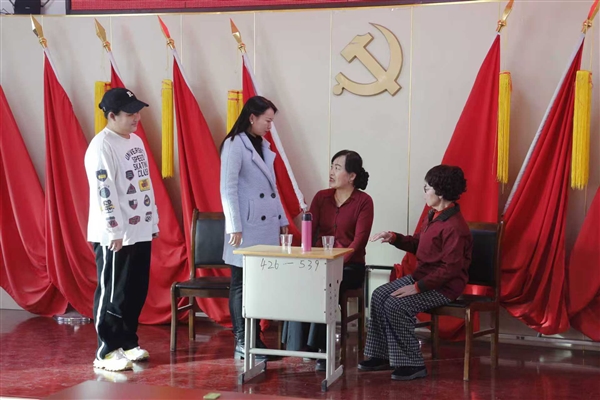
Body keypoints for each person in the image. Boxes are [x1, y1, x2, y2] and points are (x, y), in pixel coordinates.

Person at [359, 165, 472, 381]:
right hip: (423, 278)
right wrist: (394, 237)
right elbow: (418, 243)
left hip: (443, 287)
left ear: (440, 192)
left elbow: (451, 269)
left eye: (427, 188)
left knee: (396, 305)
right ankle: (381, 355)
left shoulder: (455, 227)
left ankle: (412, 364)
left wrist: (417, 287)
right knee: (379, 295)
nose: (424, 193)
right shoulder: (434, 216)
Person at [85, 88, 158, 372]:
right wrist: (113, 229)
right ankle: (106, 351)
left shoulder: (136, 141)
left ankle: (128, 342)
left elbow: (144, 183)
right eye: (130, 113)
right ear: (112, 116)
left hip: (139, 228)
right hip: (115, 235)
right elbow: (104, 192)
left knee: (135, 289)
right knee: (112, 292)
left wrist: (152, 221)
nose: (136, 118)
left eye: (138, 112)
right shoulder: (102, 146)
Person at [282, 150, 374, 371]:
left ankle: (323, 348)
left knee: (325, 284)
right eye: (331, 166)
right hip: (319, 263)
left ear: (352, 176)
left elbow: (359, 242)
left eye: (337, 168)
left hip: (350, 266)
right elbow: (308, 233)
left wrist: (335, 263)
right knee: (298, 280)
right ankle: (301, 345)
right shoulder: (321, 197)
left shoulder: (364, 201)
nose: (331, 172)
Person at [220, 96, 289, 360]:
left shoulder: (262, 144)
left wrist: (282, 219)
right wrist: (234, 226)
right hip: (245, 227)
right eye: (267, 120)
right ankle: (242, 340)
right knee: (240, 283)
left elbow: (272, 189)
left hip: (265, 226)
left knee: (259, 284)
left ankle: (255, 339)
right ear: (252, 117)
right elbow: (228, 188)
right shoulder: (234, 144)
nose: (270, 126)